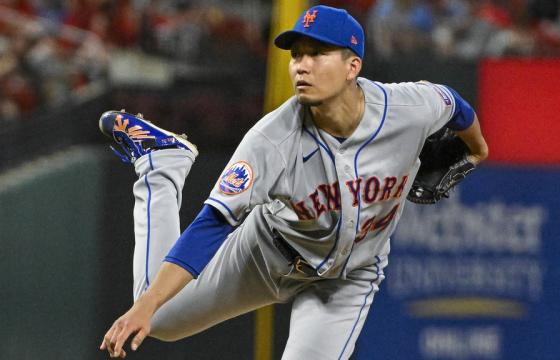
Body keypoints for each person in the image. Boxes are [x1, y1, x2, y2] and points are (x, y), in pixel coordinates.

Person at [99, 5, 489, 359]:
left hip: (348, 278)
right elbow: (212, 224)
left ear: (353, 66)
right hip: (267, 252)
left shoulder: (407, 108)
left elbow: (455, 104)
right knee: (161, 319)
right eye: (297, 55)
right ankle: (161, 163)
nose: (302, 65)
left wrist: (478, 149)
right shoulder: (272, 138)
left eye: (317, 54)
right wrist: (146, 306)